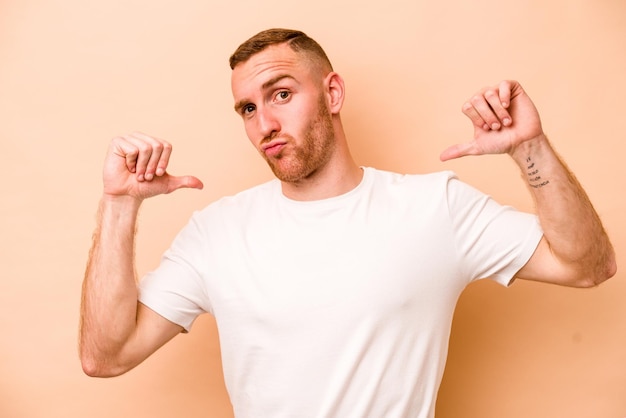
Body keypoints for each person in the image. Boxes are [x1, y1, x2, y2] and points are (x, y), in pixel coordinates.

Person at [79, 28, 616, 418]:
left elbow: (588, 265)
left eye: (281, 94)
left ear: (332, 93)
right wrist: (120, 203)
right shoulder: (216, 233)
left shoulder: (435, 209)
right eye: (247, 109)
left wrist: (530, 149)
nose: (265, 123)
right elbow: (105, 357)